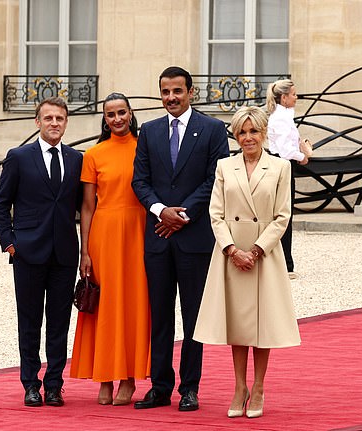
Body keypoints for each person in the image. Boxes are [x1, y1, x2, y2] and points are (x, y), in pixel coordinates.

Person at [131, 66, 230, 412]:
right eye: (164, 92)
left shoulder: (213, 129)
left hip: (194, 239)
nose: (170, 98)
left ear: (190, 92)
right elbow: (139, 180)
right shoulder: (150, 130)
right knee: (159, 316)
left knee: (192, 318)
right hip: (158, 237)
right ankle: (160, 387)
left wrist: (182, 214)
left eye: (176, 91)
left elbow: (216, 178)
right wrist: (161, 211)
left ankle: (189, 387)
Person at [193, 106, 301, 419]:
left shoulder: (280, 167)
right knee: (238, 323)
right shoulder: (225, 166)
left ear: (264, 133)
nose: (248, 137)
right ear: (236, 135)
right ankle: (239, 386)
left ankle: (258, 386)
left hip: (263, 254)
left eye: (254, 131)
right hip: (231, 254)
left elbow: (282, 216)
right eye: (242, 132)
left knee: (262, 324)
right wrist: (231, 250)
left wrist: (255, 250)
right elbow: (216, 213)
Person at [0, 97, 83, 408]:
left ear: (66, 122)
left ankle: (54, 385)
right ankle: (30, 383)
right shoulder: (18, 157)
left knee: (59, 322)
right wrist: (9, 242)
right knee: (29, 322)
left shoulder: (76, 159)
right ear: (38, 122)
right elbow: (1, 203)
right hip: (28, 252)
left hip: (64, 254)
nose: (54, 123)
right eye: (48, 118)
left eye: (60, 118)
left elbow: (84, 207)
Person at [70, 93, 151, 406]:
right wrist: (85, 251)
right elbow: (87, 207)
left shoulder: (145, 148)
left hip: (138, 232)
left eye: (121, 112)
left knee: (132, 306)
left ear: (130, 114)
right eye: (110, 114)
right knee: (104, 307)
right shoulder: (94, 154)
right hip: (104, 234)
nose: (117, 119)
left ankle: (129, 378)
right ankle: (104, 377)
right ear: (104, 119)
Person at [266, 79, 310, 278]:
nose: (296, 97)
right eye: (293, 94)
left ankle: (284, 262)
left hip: (282, 165)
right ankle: (285, 264)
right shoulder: (281, 118)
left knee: (283, 214)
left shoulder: (283, 116)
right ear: (284, 98)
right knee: (284, 215)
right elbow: (285, 150)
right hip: (282, 166)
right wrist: (303, 156)